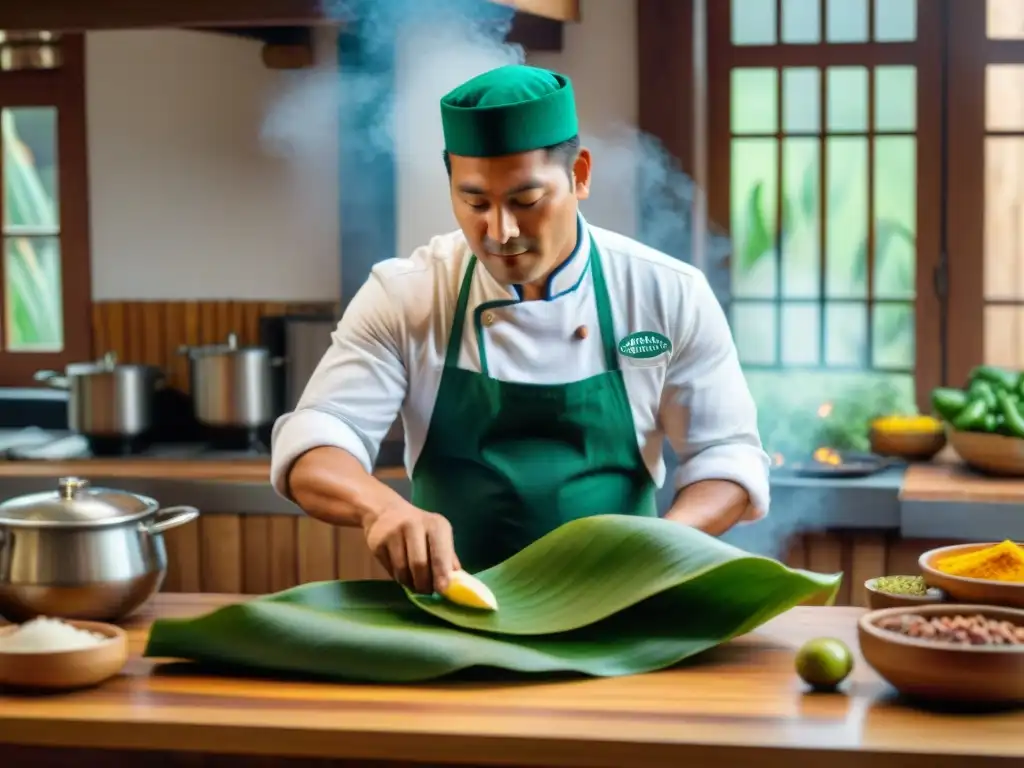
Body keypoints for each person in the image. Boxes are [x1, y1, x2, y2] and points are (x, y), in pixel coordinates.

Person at [270, 64, 770, 597]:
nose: (500, 232)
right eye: (475, 203)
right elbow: (316, 440)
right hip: (455, 609)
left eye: (526, 202)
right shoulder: (406, 294)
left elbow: (727, 457)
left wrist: (656, 553)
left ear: (579, 174)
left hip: (621, 609)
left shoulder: (666, 292)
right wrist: (382, 507)